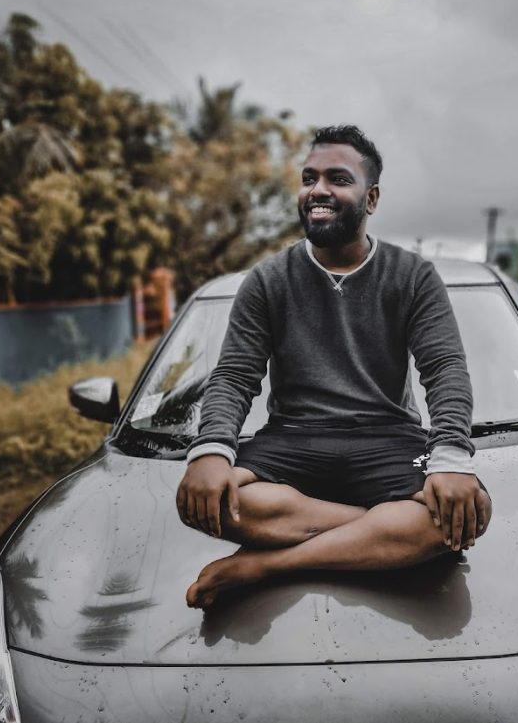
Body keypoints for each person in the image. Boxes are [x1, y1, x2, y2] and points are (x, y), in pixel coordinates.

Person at [177, 125, 491, 609]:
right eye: (309, 178)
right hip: (294, 440)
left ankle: (264, 565)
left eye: (338, 179)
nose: (317, 190)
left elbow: (444, 367)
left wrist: (450, 457)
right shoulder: (267, 280)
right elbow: (235, 377)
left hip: (388, 438)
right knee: (204, 497)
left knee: (470, 507)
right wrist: (211, 450)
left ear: (371, 199)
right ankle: (379, 533)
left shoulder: (413, 276)